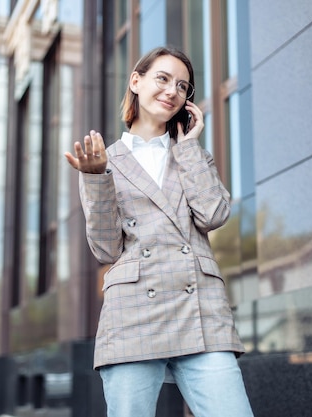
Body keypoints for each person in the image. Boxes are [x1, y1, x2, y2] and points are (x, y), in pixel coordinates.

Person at [65, 46, 254, 417]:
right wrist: (95, 177)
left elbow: (214, 214)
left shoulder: (190, 154)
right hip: (133, 312)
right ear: (136, 81)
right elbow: (105, 250)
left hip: (200, 307)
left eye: (183, 87)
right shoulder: (105, 160)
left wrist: (188, 147)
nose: (172, 91)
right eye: (163, 79)